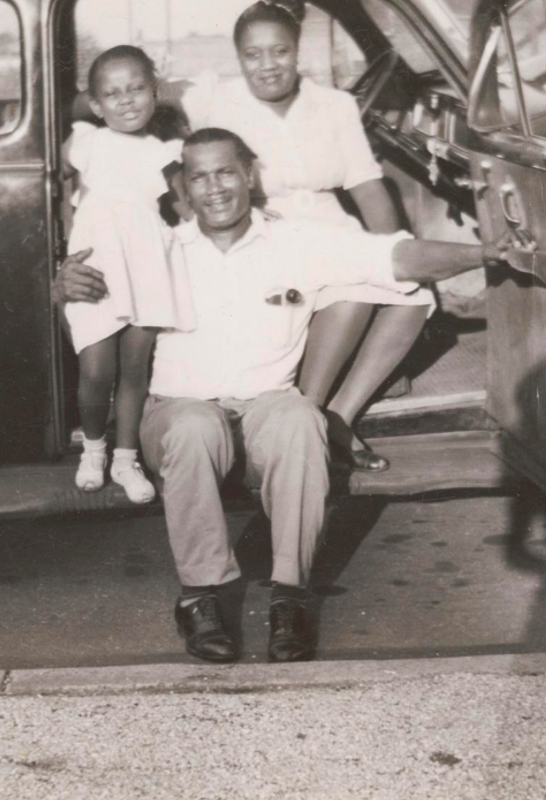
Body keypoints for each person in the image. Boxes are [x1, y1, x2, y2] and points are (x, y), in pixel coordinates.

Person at [54, 127, 489, 664]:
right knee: (193, 427)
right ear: (183, 190)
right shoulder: (158, 247)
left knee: (301, 419)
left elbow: (399, 258)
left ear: (249, 175)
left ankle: (290, 597)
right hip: (178, 409)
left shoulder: (297, 240)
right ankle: (200, 596)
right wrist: (64, 285)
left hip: (265, 404)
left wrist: (486, 253)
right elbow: (84, 299)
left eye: (226, 172)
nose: (215, 188)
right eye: (199, 177)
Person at [176, 0, 434, 472]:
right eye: (253, 55)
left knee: (415, 294)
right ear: (238, 59)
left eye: (279, 52)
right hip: (262, 232)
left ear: (298, 52)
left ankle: (338, 414)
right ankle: (304, 421)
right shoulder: (216, 102)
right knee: (350, 296)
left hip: (330, 224)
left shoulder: (334, 105)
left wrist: (398, 249)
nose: (267, 66)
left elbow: (366, 183)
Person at [62, 45, 194, 504]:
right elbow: (68, 201)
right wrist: (68, 254)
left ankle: (125, 458)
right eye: (112, 94)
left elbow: (182, 210)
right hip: (96, 264)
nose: (126, 101)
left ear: (154, 93)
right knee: (96, 369)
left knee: (135, 370)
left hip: (144, 264)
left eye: (137, 89)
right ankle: (92, 450)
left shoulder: (164, 152)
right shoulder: (86, 141)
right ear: (96, 105)